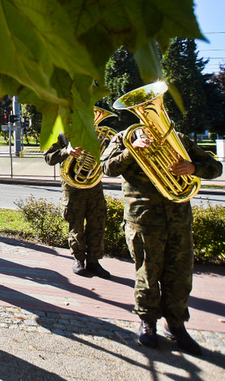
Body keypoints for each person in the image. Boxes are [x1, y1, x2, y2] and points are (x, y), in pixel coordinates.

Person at [102, 125, 222, 355]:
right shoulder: (124, 137)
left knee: (180, 275)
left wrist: (193, 167)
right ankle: (147, 322)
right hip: (143, 219)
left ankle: (176, 326)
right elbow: (107, 167)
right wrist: (131, 151)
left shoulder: (178, 139)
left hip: (178, 220)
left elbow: (215, 167)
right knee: (147, 274)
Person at [44, 130, 111, 279]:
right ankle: (78, 260)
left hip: (94, 185)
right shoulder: (60, 132)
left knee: (97, 224)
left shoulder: (94, 130)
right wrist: (66, 151)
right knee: (76, 225)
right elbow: (48, 158)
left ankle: (94, 262)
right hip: (72, 187)